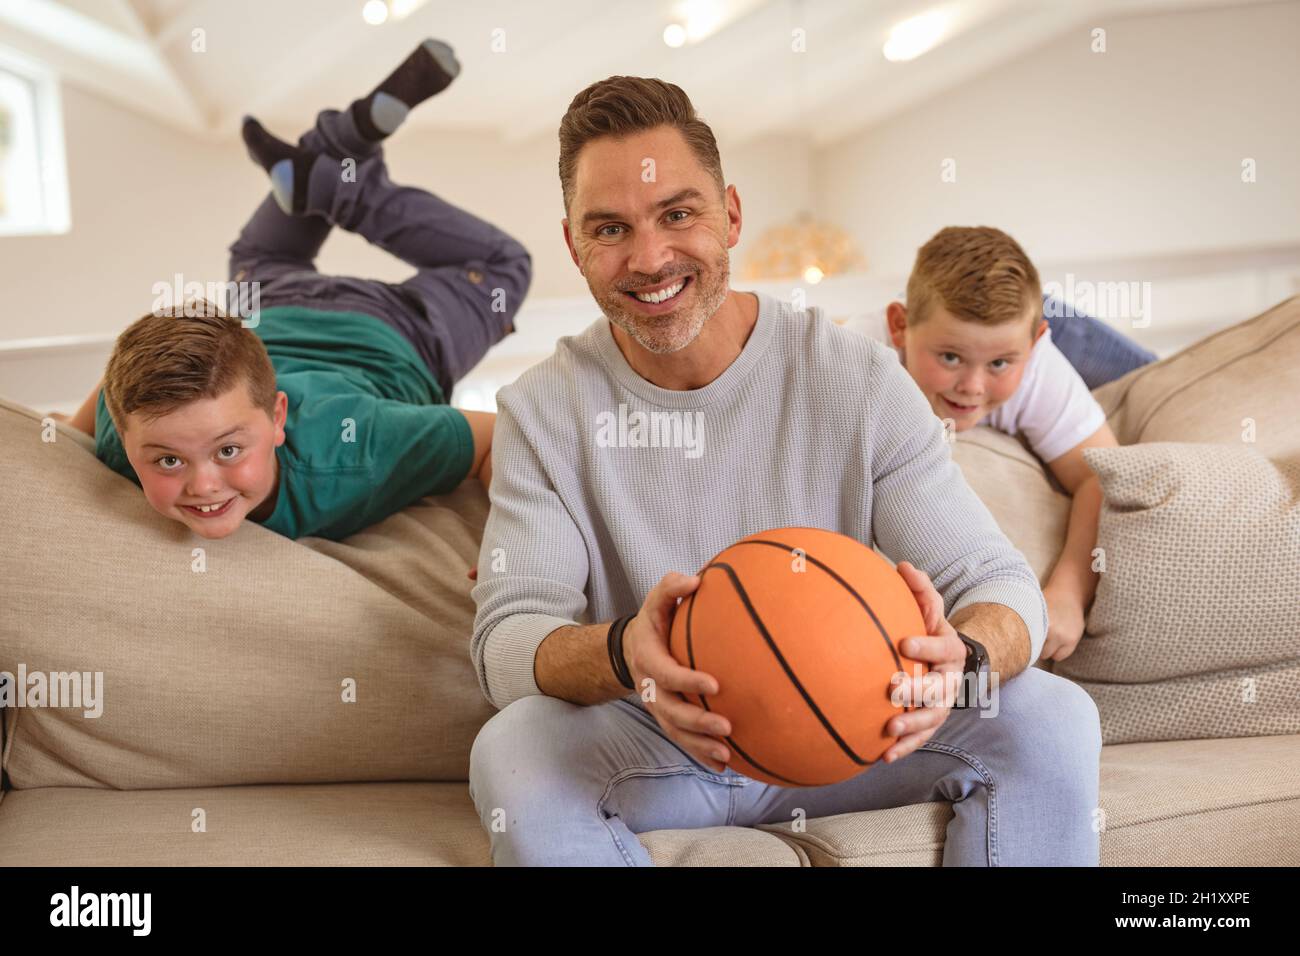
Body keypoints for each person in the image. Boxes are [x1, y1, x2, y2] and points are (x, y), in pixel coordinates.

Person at [466, 76, 1101, 866]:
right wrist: (630, 651)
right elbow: (505, 641)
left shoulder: (858, 379)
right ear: (574, 246)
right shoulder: (542, 410)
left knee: (1051, 715)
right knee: (512, 747)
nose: (650, 257)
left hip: (860, 726)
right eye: (610, 228)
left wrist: (962, 662)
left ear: (731, 213)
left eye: (678, 214)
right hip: (667, 736)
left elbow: (998, 581)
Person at [61, 40, 529, 541]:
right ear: (129, 440)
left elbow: (494, 439)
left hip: (387, 327)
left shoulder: (355, 448)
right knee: (256, 259)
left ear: (278, 416)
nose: (203, 485)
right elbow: (115, 389)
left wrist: (516, 546)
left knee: (504, 265)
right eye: (169, 460)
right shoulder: (124, 427)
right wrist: (74, 427)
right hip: (265, 302)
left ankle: (338, 174)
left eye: (228, 450)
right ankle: (338, 152)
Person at [880, 225, 1122, 662]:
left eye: (998, 364)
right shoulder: (865, 362)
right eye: (949, 357)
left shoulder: (1039, 367)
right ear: (899, 328)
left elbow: (1100, 475)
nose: (972, 387)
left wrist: (1068, 592)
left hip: (1068, 333)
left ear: (1033, 347)